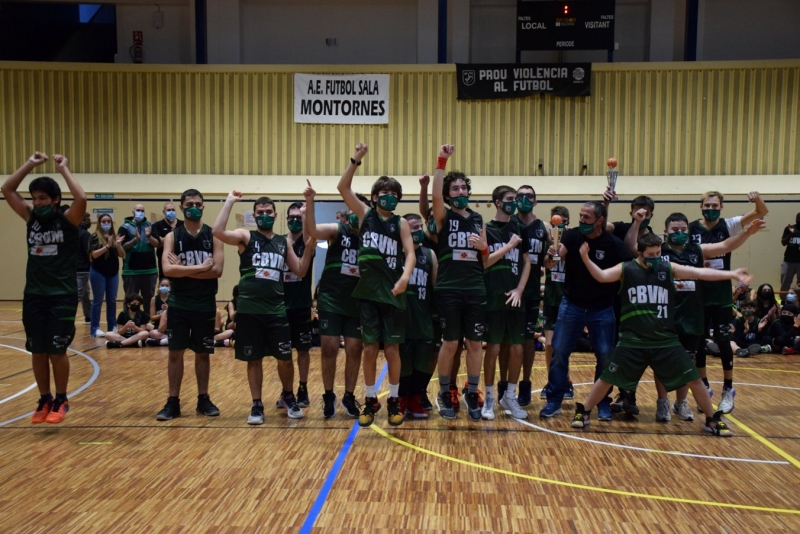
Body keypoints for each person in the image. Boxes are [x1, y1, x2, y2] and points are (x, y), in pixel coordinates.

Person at [570, 233, 750, 437]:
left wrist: (732, 274)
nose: (656, 257)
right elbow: (601, 276)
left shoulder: (668, 268)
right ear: (640, 253)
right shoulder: (626, 269)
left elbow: (698, 272)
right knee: (607, 378)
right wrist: (585, 258)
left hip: (665, 340)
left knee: (694, 379)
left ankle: (711, 419)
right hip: (633, 340)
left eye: (658, 253)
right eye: (651, 254)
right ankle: (583, 411)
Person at [212, 191, 314, 424]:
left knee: (285, 358)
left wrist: (308, 248)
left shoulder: (283, 242)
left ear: (275, 215)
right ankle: (257, 404)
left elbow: (300, 270)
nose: (265, 216)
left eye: (269, 212)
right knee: (253, 358)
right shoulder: (246, 237)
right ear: (254, 216)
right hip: (249, 310)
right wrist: (229, 202)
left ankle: (288, 396)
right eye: (260, 213)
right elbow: (217, 231)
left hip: (276, 310)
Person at [652, 210, 763, 420]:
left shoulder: (697, 250)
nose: (679, 233)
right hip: (665, 313)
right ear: (665, 232)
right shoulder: (658, 252)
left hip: (692, 314)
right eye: (675, 230)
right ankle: (662, 402)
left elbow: (724, 246)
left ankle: (681, 403)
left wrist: (748, 232)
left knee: (687, 362)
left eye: (683, 229)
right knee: (662, 362)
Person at [2, 152, 87, 424]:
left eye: (42, 198)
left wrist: (63, 169)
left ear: (55, 200)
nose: (37, 203)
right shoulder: (31, 218)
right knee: (38, 350)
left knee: (56, 350)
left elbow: (81, 199)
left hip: (61, 295)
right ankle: (45, 398)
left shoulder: (68, 220)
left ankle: (62, 398)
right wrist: (29, 164)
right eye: (35, 198)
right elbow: (7, 189)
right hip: (35, 295)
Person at [338, 143, 415, 428]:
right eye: (385, 194)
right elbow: (343, 188)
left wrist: (405, 276)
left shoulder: (402, 223)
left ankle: (393, 399)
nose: (391, 198)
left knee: (392, 350)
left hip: (393, 293)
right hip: (369, 293)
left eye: (395, 195)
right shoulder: (365, 215)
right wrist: (356, 159)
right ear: (374, 198)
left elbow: (410, 254)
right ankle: (371, 399)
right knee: (370, 349)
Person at [539, 201, 632, 420]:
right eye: (580, 216)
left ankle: (601, 402)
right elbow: (550, 262)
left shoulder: (614, 244)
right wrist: (552, 255)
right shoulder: (571, 237)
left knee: (605, 355)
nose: (581, 220)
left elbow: (629, 269)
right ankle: (554, 400)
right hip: (572, 305)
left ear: (600, 220)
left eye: (586, 217)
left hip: (602, 309)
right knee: (559, 352)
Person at [689, 190, 768, 414]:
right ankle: (704, 385)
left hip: (721, 294)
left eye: (715, 206)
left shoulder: (730, 225)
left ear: (721, 207)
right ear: (701, 206)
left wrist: (757, 199)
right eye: (707, 205)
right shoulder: (692, 229)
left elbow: (762, 211)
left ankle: (728, 389)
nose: (711, 209)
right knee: (699, 341)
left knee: (724, 341)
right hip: (699, 293)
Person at [431, 144, 489, 422]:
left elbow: (486, 254)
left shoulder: (478, 219)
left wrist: (484, 247)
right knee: (451, 342)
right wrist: (442, 161)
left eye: (463, 188)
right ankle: (445, 392)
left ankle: (472, 392)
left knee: (475, 343)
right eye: (455, 189)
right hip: (449, 288)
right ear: (447, 195)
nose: (461, 192)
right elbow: (434, 193)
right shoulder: (443, 216)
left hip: (475, 286)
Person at [156, 189, 224, 421]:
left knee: (202, 353)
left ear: (203, 207)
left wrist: (182, 271)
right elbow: (167, 270)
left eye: (197, 203)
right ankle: (172, 401)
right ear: (182, 207)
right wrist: (200, 268)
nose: (193, 206)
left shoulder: (213, 235)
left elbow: (217, 271)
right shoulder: (172, 237)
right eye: (189, 203)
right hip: (179, 304)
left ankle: (203, 399)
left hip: (205, 304)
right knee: (175, 353)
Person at [303, 181, 364, 418]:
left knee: (354, 349)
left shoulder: (372, 237)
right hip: (331, 298)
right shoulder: (338, 230)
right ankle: (329, 395)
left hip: (357, 300)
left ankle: (349, 396)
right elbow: (313, 230)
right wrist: (310, 202)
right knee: (328, 348)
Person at [480, 186, 531, 420]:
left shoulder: (520, 228)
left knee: (518, 348)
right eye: (511, 199)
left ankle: (509, 395)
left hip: (515, 296)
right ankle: (489, 397)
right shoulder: (487, 229)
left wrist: (520, 289)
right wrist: (508, 246)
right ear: (498, 203)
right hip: (493, 296)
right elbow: (486, 262)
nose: (516, 202)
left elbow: (527, 262)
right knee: (494, 348)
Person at [512, 184, 549, 407]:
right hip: (510, 289)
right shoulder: (509, 224)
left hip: (533, 290)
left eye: (529, 196)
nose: (525, 199)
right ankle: (506, 386)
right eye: (520, 196)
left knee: (527, 341)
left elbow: (546, 261)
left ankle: (524, 385)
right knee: (508, 342)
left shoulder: (543, 227)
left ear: (535, 201)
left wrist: (551, 259)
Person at [398, 213, 438, 419]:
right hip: (402, 317)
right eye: (413, 228)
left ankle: (415, 397)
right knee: (403, 362)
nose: (418, 231)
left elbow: (435, 287)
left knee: (423, 362)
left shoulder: (429, 254)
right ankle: (402, 398)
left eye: (419, 226)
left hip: (424, 317)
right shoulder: (396, 253)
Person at [282, 202, 315, 408]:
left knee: (303, 350)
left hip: (302, 305)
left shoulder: (308, 242)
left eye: (298, 218)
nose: (294, 221)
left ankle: (303, 388)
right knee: (283, 351)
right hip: (281, 306)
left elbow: (310, 234)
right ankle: (286, 390)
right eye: (291, 217)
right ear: (285, 220)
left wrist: (306, 214)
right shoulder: (279, 243)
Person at [539, 206, 573, 401]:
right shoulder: (548, 241)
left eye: (564, 220)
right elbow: (545, 264)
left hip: (569, 298)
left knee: (563, 345)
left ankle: (566, 381)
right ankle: (552, 380)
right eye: (556, 220)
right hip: (552, 298)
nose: (561, 223)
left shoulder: (574, 240)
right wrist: (551, 254)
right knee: (550, 344)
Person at [88, 213, 125, 338]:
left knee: (112, 301)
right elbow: (94, 255)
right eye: (103, 221)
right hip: (98, 272)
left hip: (113, 273)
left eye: (108, 221)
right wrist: (107, 246)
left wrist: (117, 244)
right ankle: (95, 328)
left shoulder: (114, 236)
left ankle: (112, 326)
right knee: (98, 300)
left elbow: (121, 255)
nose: (106, 223)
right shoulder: (94, 237)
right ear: (99, 223)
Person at [119, 203, 160, 313]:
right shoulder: (124, 227)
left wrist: (149, 236)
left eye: (142, 210)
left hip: (150, 270)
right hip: (131, 270)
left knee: (149, 299)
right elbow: (123, 247)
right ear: (133, 212)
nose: (140, 212)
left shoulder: (151, 225)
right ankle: (128, 322)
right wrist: (135, 240)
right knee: (130, 299)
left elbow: (156, 244)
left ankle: (148, 323)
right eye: (138, 210)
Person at [152, 202, 184, 279]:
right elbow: (158, 244)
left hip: (181, 263)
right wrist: (171, 235)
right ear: (164, 212)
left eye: (173, 210)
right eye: (169, 210)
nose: (171, 212)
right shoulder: (157, 225)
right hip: (165, 263)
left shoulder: (183, 224)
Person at [76, 213, 92, 325]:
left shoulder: (73, 232)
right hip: (83, 268)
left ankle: (88, 316)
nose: (89, 221)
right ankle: (66, 316)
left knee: (85, 293)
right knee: (79, 294)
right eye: (87, 219)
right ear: (81, 220)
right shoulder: (85, 234)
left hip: (75, 267)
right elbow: (89, 251)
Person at [781, 213, 800, 292]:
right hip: (789, 261)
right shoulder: (789, 228)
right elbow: (783, 243)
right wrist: (790, 234)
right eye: (797, 218)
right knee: (785, 282)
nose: (798, 220)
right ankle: (783, 301)